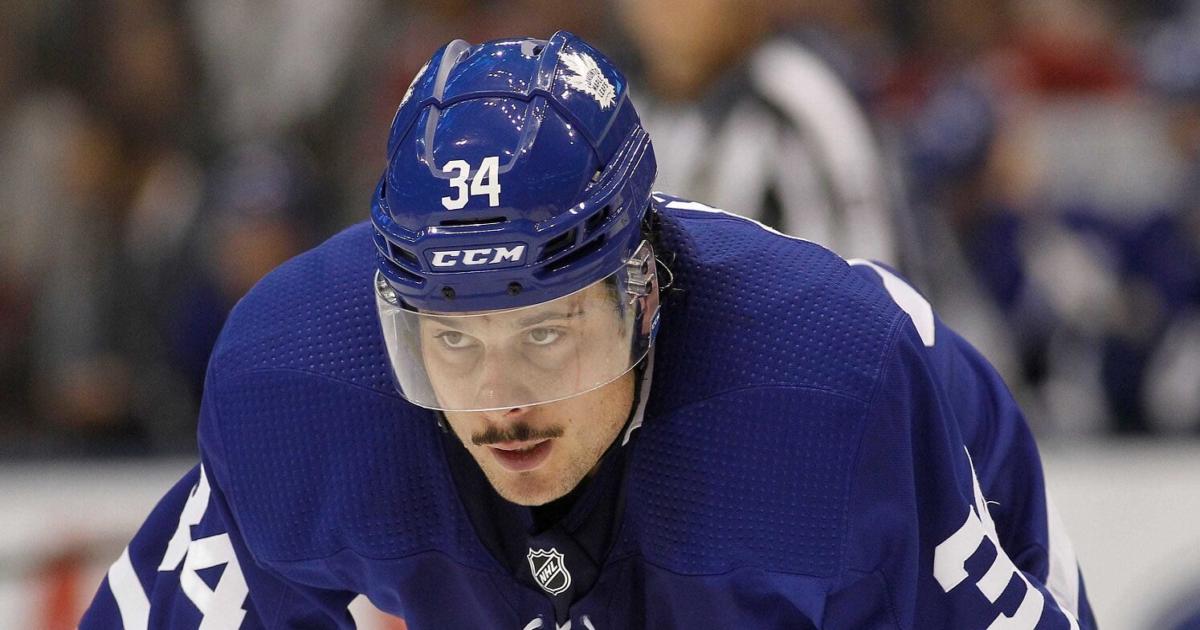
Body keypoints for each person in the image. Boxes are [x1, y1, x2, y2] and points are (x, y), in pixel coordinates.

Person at [81, 32, 1095, 629]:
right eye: (454, 341)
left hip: (925, 467)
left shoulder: (828, 393)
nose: (502, 402)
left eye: (546, 333)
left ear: (642, 297)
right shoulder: (300, 383)